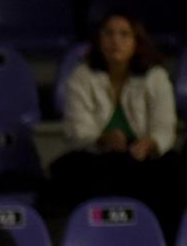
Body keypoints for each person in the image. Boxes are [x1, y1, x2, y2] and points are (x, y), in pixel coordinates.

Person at [47, 13, 183, 234]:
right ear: (99, 40)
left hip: (143, 158)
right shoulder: (81, 76)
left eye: (124, 34)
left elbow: (164, 126)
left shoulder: (156, 76)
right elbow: (77, 129)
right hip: (99, 156)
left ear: (136, 41)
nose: (115, 41)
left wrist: (151, 143)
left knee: (174, 172)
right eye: (108, 34)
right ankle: (86, 241)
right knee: (67, 172)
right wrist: (101, 139)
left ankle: (165, 244)